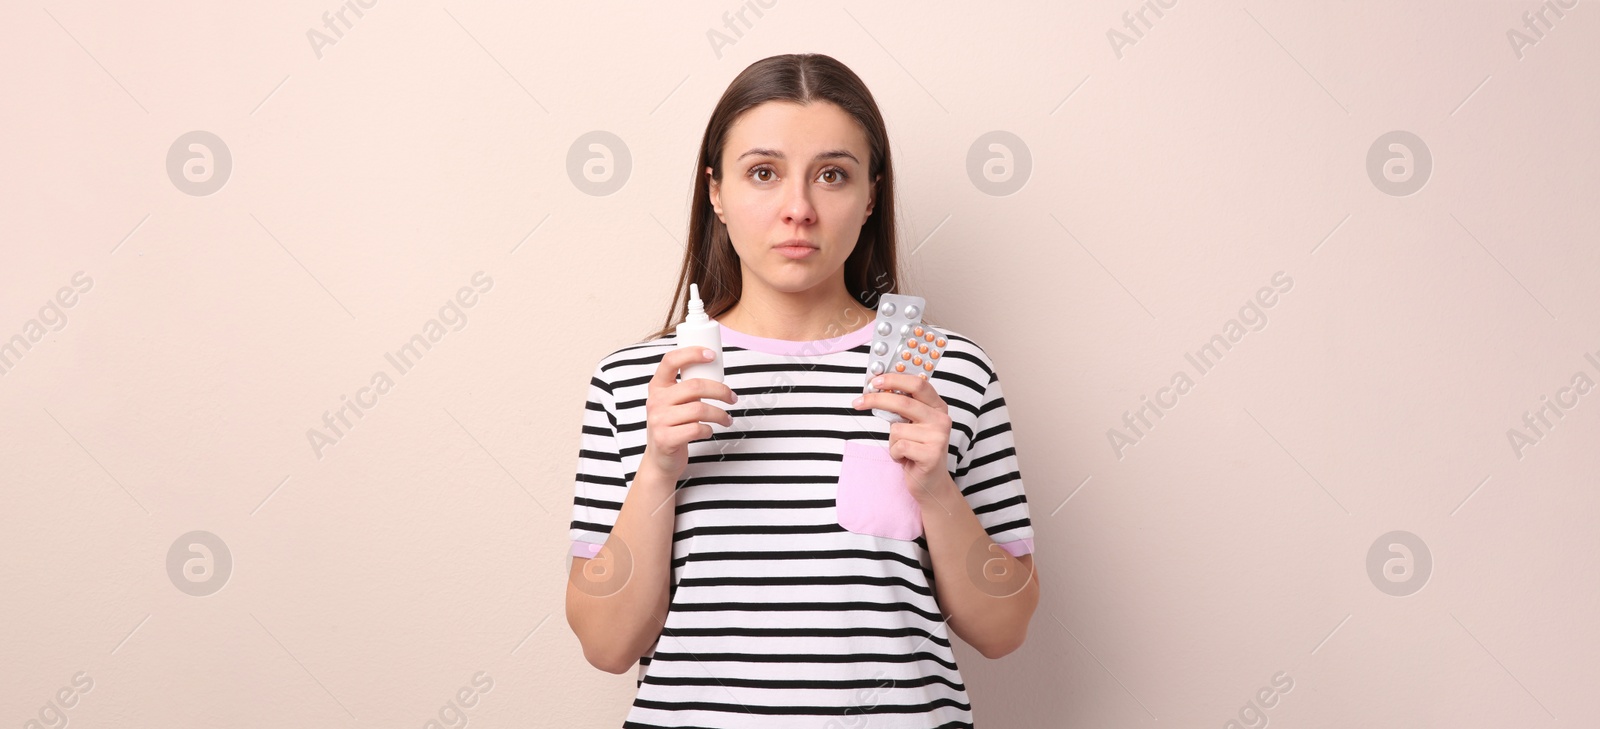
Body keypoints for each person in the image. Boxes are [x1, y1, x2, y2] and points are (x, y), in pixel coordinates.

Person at [565, 52, 1039, 729]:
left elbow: (1003, 629)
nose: (799, 209)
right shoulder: (635, 382)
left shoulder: (947, 371)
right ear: (716, 192)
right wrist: (658, 469)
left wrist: (936, 488)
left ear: (871, 195)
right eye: (763, 173)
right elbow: (607, 644)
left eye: (833, 175)